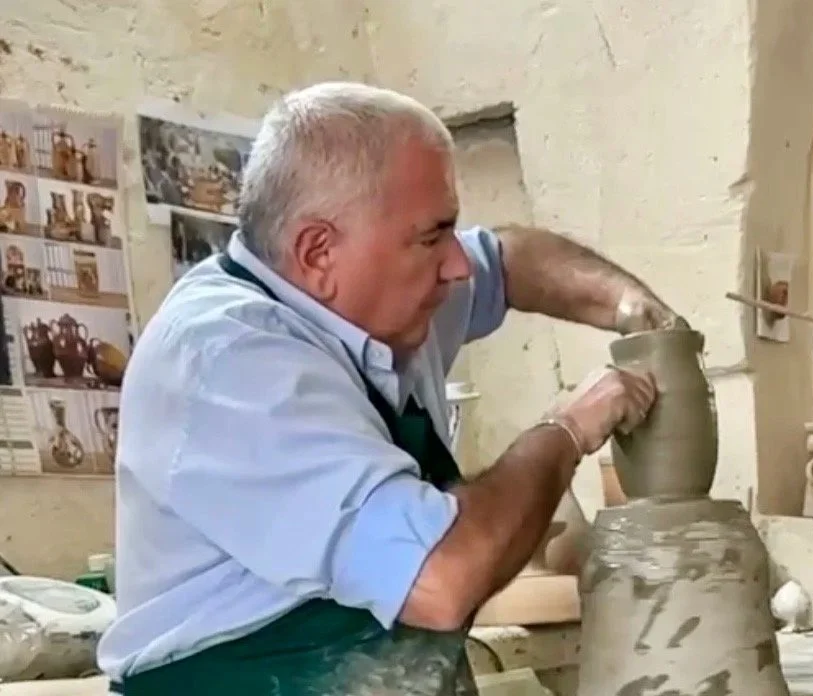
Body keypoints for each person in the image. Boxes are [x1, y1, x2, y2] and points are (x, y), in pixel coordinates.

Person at [98, 82, 675, 695]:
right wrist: (568, 429)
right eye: (432, 237)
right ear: (318, 252)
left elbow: (509, 261)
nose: (456, 265)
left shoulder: (378, 296)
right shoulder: (229, 363)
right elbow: (441, 579)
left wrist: (630, 306)